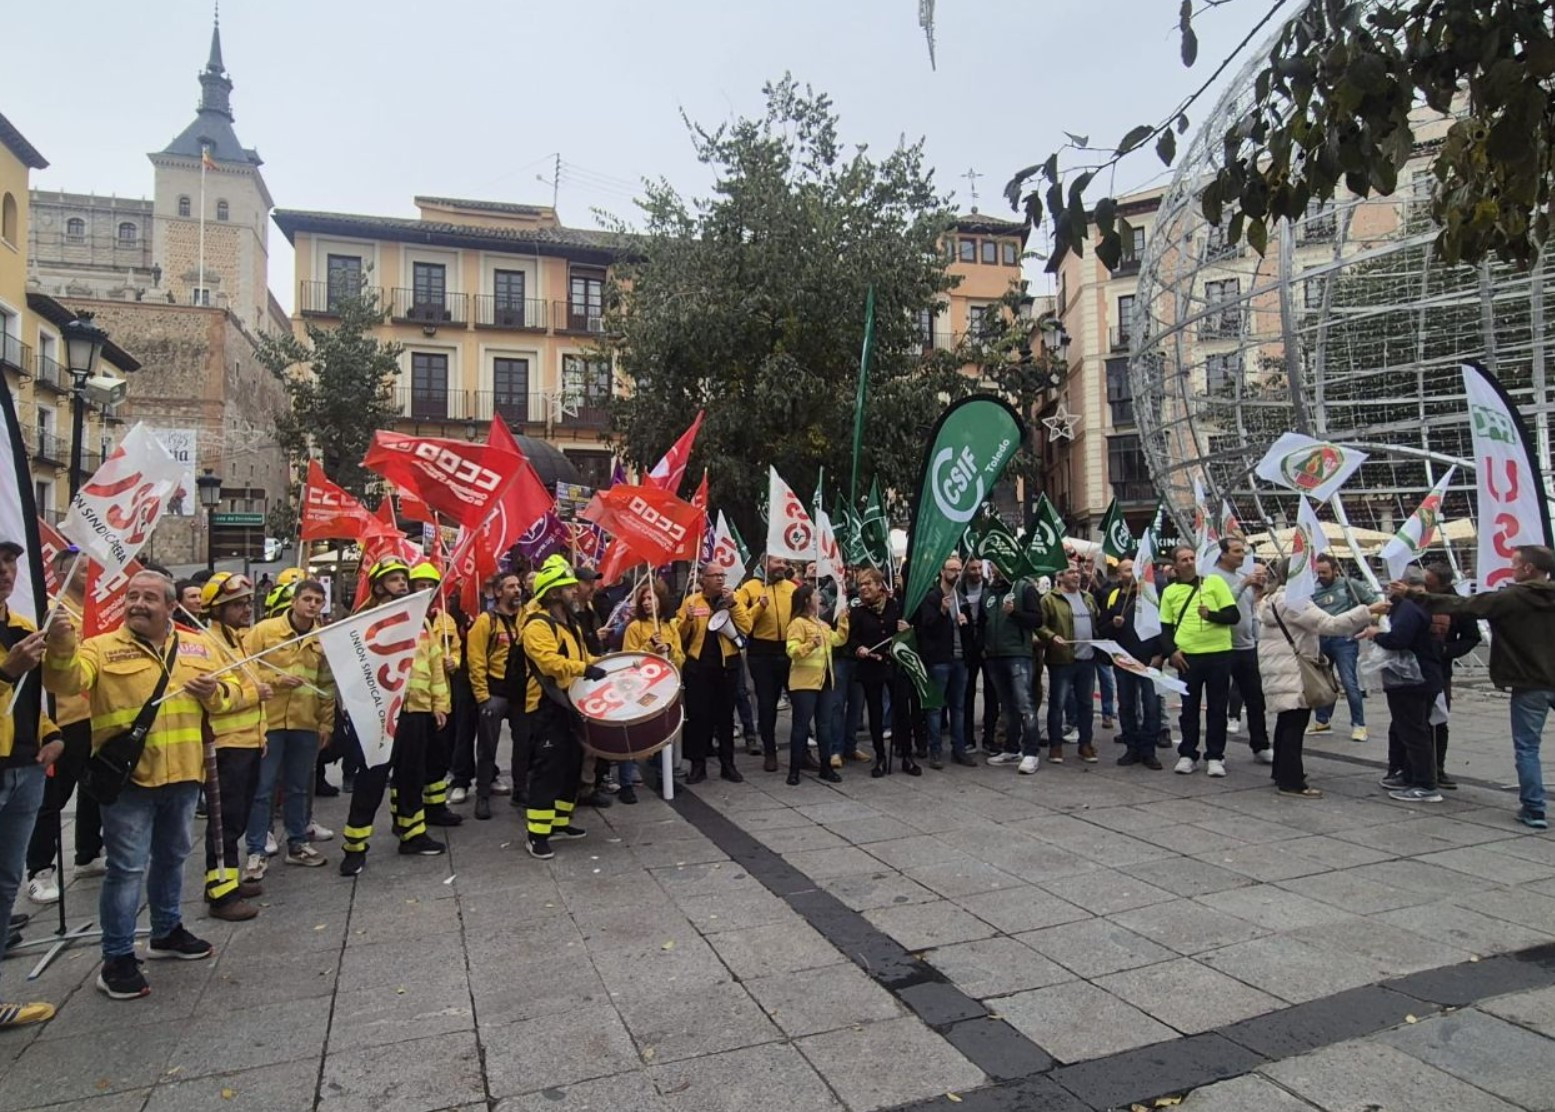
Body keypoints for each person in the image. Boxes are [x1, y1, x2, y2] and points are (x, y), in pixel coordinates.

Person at [44, 569, 236, 1000]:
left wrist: (215, 694)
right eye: (132, 596)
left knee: (172, 858)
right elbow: (64, 682)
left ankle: (166, 932)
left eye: (149, 597)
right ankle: (116, 957)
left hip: (184, 776)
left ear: (172, 607)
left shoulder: (199, 645)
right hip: (129, 781)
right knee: (126, 869)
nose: (137, 604)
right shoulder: (99, 648)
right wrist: (59, 644)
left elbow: (237, 691)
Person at [1407, 544, 1555, 828]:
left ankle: (1535, 809)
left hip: (1531, 681)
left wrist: (1414, 596)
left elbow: (1463, 606)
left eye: (1514, 564)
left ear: (1528, 569)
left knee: (1527, 748)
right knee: (1528, 747)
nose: (1511, 569)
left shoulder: (1513, 597)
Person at [338, 558, 449, 877]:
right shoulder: (366, 620)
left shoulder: (422, 622)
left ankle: (412, 834)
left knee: (412, 776)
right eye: (395, 579)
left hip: (416, 711)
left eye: (404, 578)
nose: (403, 584)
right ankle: (355, 847)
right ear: (378, 586)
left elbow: (435, 665)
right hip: (381, 713)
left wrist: (439, 703)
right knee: (371, 781)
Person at [0, 536, 66, 1026]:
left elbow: (32, 699)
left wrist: (53, 733)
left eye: (9, 564)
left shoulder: (22, 628)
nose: (5, 572)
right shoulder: (17, 648)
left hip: (26, 767)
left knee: (5, 883)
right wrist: (6, 671)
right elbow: (10, 683)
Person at [1258, 559, 1384, 797]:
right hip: (1295, 671)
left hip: (1281, 668)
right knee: (1295, 725)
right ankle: (1291, 782)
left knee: (1287, 722)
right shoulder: (1295, 601)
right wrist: (1369, 610)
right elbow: (1331, 624)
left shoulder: (1272, 598)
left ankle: (1282, 772)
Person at [25, 546, 105, 905]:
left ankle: (88, 853)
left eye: (91, 569)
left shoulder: (99, 610)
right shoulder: (52, 611)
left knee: (95, 788)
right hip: (66, 716)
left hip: (99, 713)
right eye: (81, 569)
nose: (89, 575)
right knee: (54, 797)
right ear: (61, 574)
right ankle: (39, 869)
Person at [243, 578, 333, 881]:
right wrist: (277, 680)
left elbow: (326, 684)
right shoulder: (265, 632)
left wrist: (326, 723)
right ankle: (256, 848)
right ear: (294, 601)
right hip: (269, 722)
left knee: (298, 787)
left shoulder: (322, 638)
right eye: (307, 599)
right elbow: (244, 667)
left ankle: (297, 842)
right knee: (262, 787)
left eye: (318, 601)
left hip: (305, 722)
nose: (312, 605)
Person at [521, 557, 603, 859]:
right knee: (548, 768)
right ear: (554, 593)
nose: (575, 592)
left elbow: (584, 658)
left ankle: (558, 822)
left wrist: (612, 664)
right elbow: (549, 663)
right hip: (546, 705)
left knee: (570, 763)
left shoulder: (570, 624)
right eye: (569, 588)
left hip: (569, 703)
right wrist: (585, 668)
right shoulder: (537, 625)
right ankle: (537, 835)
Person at [198, 573, 269, 922]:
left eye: (246, 602)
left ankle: (227, 881)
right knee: (224, 822)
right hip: (227, 747)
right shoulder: (208, 644)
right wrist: (258, 693)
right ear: (218, 609)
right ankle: (221, 895)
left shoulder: (237, 641)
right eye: (238, 604)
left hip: (249, 742)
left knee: (236, 820)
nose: (246, 609)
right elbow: (216, 696)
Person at [1359, 567, 1444, 803]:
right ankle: (1411, 775)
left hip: (1412, 680)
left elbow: (1398, 640)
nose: (1387, 592)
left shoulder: (1408, 608)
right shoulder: (1420, 605)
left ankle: (1425, 784)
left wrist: (1375, 634)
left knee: (1414, 732)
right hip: (1422, 677)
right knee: (1413, 729)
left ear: (1400, 585)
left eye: (1390, 586)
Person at [1159, 545, 1240, 777]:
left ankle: (1215, 755)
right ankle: (1187, 754)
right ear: (1175, 565)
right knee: (1189, 708)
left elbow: (1233, 616)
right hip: (1188, 656)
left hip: (1218, 654)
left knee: (1216, 707)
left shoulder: (1214, 583)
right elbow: (1164, 628)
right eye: (1183, 559)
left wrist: (1211, 615)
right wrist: (1172, 651)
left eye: (1192, 558)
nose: (1189, 562)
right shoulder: (1169, 592)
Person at [675, 566, 752, 784]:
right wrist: (687, 620)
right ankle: (698, 765)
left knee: (725, 717)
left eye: (722, 575)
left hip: (727, 665)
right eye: (715, 576)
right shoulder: (692, 602)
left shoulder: (732, 598)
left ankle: (728, 764)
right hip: (699, 667)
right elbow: (679, 636)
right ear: (704, 579)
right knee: (699, 717)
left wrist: (734, 605)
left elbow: (746, 626)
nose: (720, 579)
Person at [846, 568, 918, 778]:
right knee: (875, 714)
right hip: (871, 667)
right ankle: (880, 757)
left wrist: (906, 631)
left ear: (880, 586)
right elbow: (852, 638)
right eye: (861, 585)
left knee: (902, 712)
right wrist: (858, 648)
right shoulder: (858, 611)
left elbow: (910, 635)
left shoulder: (895, 606)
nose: (864, 588)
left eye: (868, 583)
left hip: (895, 666)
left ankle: (906, 756)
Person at [466, 571, 525, 821]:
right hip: (494, 692)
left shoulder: (527, 618)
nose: (517, 590)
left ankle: (521, 791)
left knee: (524, 743)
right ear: (499, 592)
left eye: (519, 586)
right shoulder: (485, 621)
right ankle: (482, 795)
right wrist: (482, 696)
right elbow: (476, 660)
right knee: (487, 747)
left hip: (520, 693)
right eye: (511, 586)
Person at [409, 563, 464, 829]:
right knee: (411, 763)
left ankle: (435, 807)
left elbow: (457, 649)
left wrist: (454, 660)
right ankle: (408, 812)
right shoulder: (403, 618)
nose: (426, 590)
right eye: (421, 585)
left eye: (431, 586)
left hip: (441, 701)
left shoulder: (446, 620)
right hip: (414, 704)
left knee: (439, 758)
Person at [620, 577, 684, 803]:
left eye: (651, 598)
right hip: (638, 689)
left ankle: (661, 773)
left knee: (662, 732)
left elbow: (680, 658)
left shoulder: (669, 627)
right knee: (632, 733)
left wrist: (668, 650)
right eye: (644, 599)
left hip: (663, 688)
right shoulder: (634, 627)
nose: (647, 603)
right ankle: (626, 781)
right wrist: (648, 646)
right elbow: (629, 661)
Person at [1211, 538, 1272, 764]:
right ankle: (1216, 753)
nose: (1242, 555)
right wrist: (1244, 584)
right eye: (1237, 551)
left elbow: (1250, 611)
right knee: (1218, 701)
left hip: (1247, 647)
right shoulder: (1213, 578)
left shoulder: (1241, 579)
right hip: (1222, 647)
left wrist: (1257, 639)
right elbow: (1221, 606)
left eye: (1243, 551)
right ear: (1223, 554)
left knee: (1256, 699)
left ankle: (1260, 745)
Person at [737, 557, 798, 773]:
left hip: (789, 650)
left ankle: (802, 752)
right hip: (762, 653)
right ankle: (770, 751)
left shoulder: (792, 587)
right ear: (764, 562)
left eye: (784, 562)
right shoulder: (749, 588)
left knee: (799, 702)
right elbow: (741, 621)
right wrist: (758, 608)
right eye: (776, 562)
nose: (782, 566)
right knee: (766, 704)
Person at [980, 560, 1043, 773]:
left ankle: (1031, 752)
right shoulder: (988, 592)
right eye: (995, 565)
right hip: (994, 655)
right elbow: (982, 622)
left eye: (1001, 564)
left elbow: (1037, 619)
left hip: (1018, 653)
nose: (998, 569)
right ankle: (1011, 747)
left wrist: (1015, 613)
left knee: (1025, 704)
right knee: (1006, 707)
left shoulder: (1025, 588)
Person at [1421, 562, 1479, 790]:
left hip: (1440, 668)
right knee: (1413, 719)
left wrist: (1447, 650)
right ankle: (1413, 767)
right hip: (1415, 666)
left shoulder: (1457, 606)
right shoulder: (1421, 599)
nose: (1425, 587)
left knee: (1439, 719)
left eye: (1430, 584)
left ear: (1443, 585)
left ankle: (1437, 768)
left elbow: (1472, 636)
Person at [1309, 554, 1378, 741]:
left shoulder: (1349, 585)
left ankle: (1359, 725)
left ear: (1335, 570)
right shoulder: (1313, 589)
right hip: (1322, 640)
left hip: (1344, 641)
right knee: (1323, 683)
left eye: (1325, 572)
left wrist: (1371, 624)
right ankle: (1322, 720)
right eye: (1318, 572)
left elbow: (1372, 603)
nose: (1321, 576)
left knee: (1348, 681)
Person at [1102, 558, 1163, 769]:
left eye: (1135, 569)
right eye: (1128, 570)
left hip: (1148, 661)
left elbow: (1162, 626)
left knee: (1151, 707)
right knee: (1127, 706)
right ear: (1120, 576)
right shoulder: (1113, 597)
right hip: (1124, 661)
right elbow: (1102, 630)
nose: (1133, 573)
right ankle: (1132, 747)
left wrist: (1161, 655)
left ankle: (1149, 750)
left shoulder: (1151, 596)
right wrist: (1113, 624)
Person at [1039, 565, 1102, 765]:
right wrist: (1052, 636)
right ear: (1060, 577)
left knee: (1086, 704)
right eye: (1071, 572)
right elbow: (1039, 625)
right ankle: (1055, 746)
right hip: (1062, 660)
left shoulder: (1088, 598)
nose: (1076, 575)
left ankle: (1085, 744)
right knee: (1057, 704)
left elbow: (1097, 621)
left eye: (1077, 572)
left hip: (1087, 659)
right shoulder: (1050, 599)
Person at [785, 584, 847, 785]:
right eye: (815, 595)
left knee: (824, 725)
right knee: (801, 726)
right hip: (804, 683)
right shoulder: (797, 623)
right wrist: (810, 644)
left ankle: (825, 766)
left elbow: (838, 640)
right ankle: (794, 769)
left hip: (825, 680)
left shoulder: (823, 624)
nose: (819, 597)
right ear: (806, 600)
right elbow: (792, 650)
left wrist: (844, 621)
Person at [913, 557, 966, 769]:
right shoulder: (932, 597)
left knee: (959, 707)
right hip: (939, 660)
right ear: (943, 572)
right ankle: (935, 751)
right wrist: (942, 612)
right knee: (935, 708)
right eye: (952, 570)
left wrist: (965, 623)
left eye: (959, 570)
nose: (956, 574)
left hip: (960, 658)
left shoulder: (960, 597)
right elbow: (927, 627)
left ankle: (959, 750)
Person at [958, 558, 998, 756]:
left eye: (977, 568)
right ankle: (967, 737)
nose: (975, 572)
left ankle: (989, 737)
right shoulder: (959, 591)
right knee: (967, 693)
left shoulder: (989, 590)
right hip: (967, 648)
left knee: (992, 694)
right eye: (971, 568)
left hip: (987, 648)